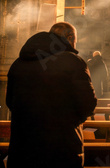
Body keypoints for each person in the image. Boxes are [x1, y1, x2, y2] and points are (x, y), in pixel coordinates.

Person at [6, 22, 97, 168]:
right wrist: (69, 121)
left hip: (24, 147)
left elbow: (10, 102)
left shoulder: (18, 64)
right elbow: (88, 105)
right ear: (70, 37)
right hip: (61, 148)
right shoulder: (73, 62)